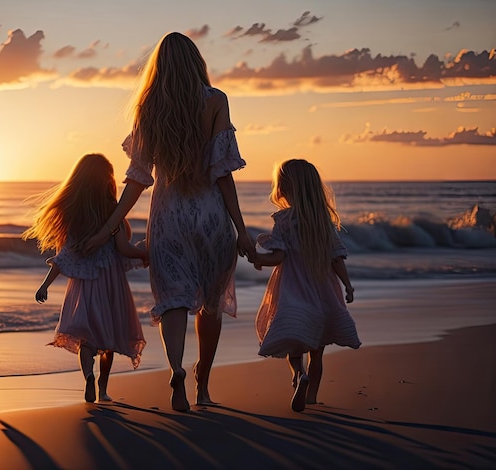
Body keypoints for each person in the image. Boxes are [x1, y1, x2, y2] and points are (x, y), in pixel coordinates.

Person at [83, 32, 256, 411]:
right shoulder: (215, 101)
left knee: (173, 301)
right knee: (211, 304)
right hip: (210, 214)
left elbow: (138, 179)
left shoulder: (149, 107)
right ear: (196, 62)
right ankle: (204, 386)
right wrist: (242, 231)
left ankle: (176, 368)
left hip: (169, 217)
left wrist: (108, 228)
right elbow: (223, 172)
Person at [23, 153, 148, 403]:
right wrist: (146, 252)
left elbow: (63, 258)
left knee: (87, 339)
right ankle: (102, 389)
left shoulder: (75, 218)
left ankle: (88, 376)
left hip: (84, 286)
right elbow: (124, 249)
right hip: (111, 285)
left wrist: (45, 285)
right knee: (108, 338)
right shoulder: (113, 214)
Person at [251, 158, 361, 412]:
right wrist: (348, 286)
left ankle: (299, 375)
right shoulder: (323, 221)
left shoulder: (285, 221)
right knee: (317, 350)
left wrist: (257, 258)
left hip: (292, 289)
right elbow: (336, 258)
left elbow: (278, 257)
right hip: (323, 291)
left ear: (285, 189)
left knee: (295, 344)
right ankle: (311, 396)